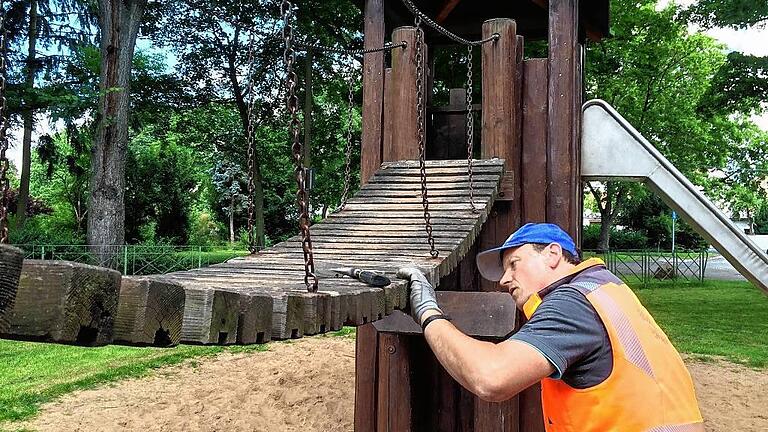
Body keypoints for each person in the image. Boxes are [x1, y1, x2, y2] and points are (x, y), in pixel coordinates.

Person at [398, 222, 704, 432]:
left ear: (553, 254)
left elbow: (491, 377)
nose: (504, 280)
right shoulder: (603, 288)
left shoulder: (572, 304)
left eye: (514, 263)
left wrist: (428, 313)